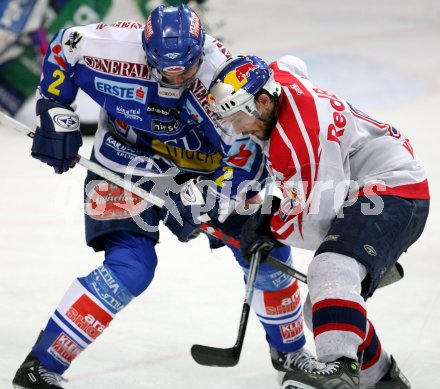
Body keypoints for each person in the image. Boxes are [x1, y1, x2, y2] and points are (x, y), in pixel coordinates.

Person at [12, 5, 323, 389]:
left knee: (266, 249)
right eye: (164, 67)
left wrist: (205, 202)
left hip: (205, 171)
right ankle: (40, 366)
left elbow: (247, 158)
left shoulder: (221, 77)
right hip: (124, 163)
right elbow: (63, 46)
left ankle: (291, 353)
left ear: (200, 51)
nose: (174, 77)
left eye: (185, 68)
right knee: (131, 267)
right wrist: (55, 109)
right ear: (145, 50)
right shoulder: (112, 46)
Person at [207, 54, 430, 388]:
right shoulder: (278, 79)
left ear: (264, 101)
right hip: (366, 178)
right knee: (322, 310)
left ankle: (340, 370)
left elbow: (315, 223)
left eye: (239, 117)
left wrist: (270, 226)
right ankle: (383, 379)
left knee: (330, 268)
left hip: (394, 187)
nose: (238, 129)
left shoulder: (300, 142)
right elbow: (292, 63)